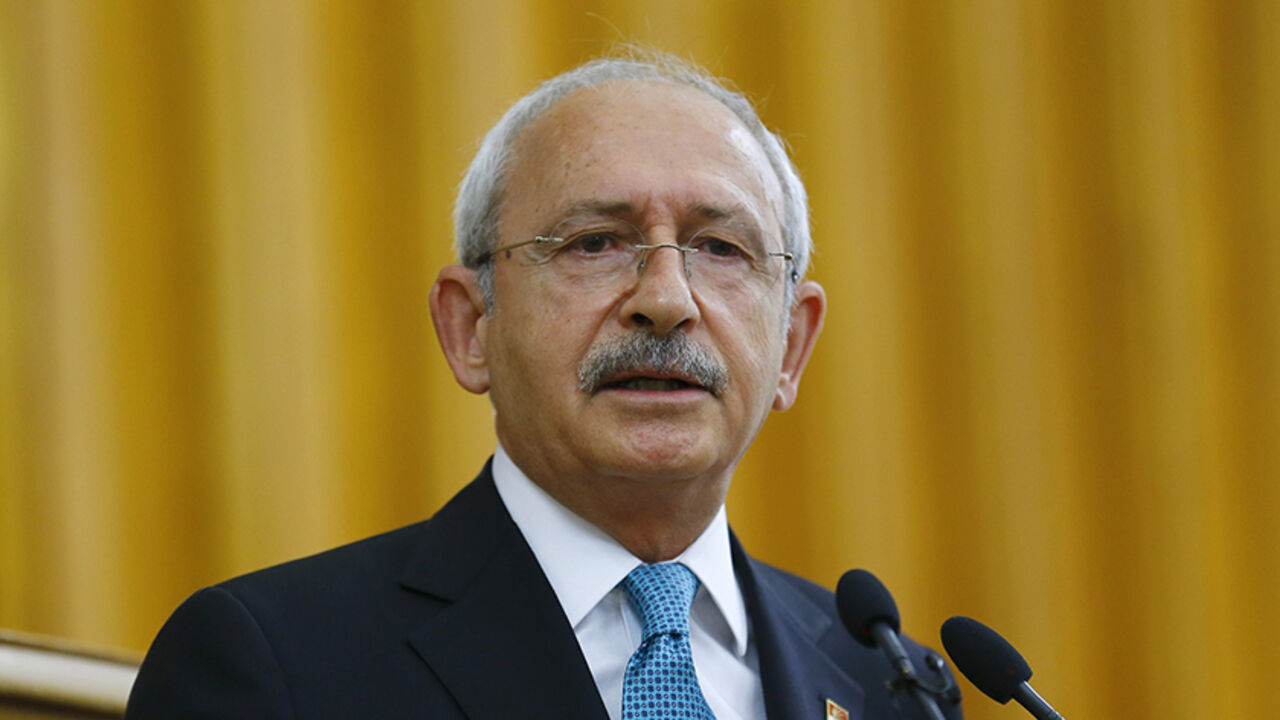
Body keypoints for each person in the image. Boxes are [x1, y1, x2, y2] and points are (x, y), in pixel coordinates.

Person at [126, 51, 962, 720]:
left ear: (792, 345)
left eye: (721, 249)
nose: (666, 302)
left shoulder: (890, 683)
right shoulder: (279, 667)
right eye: (595, 243)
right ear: (470, 328)